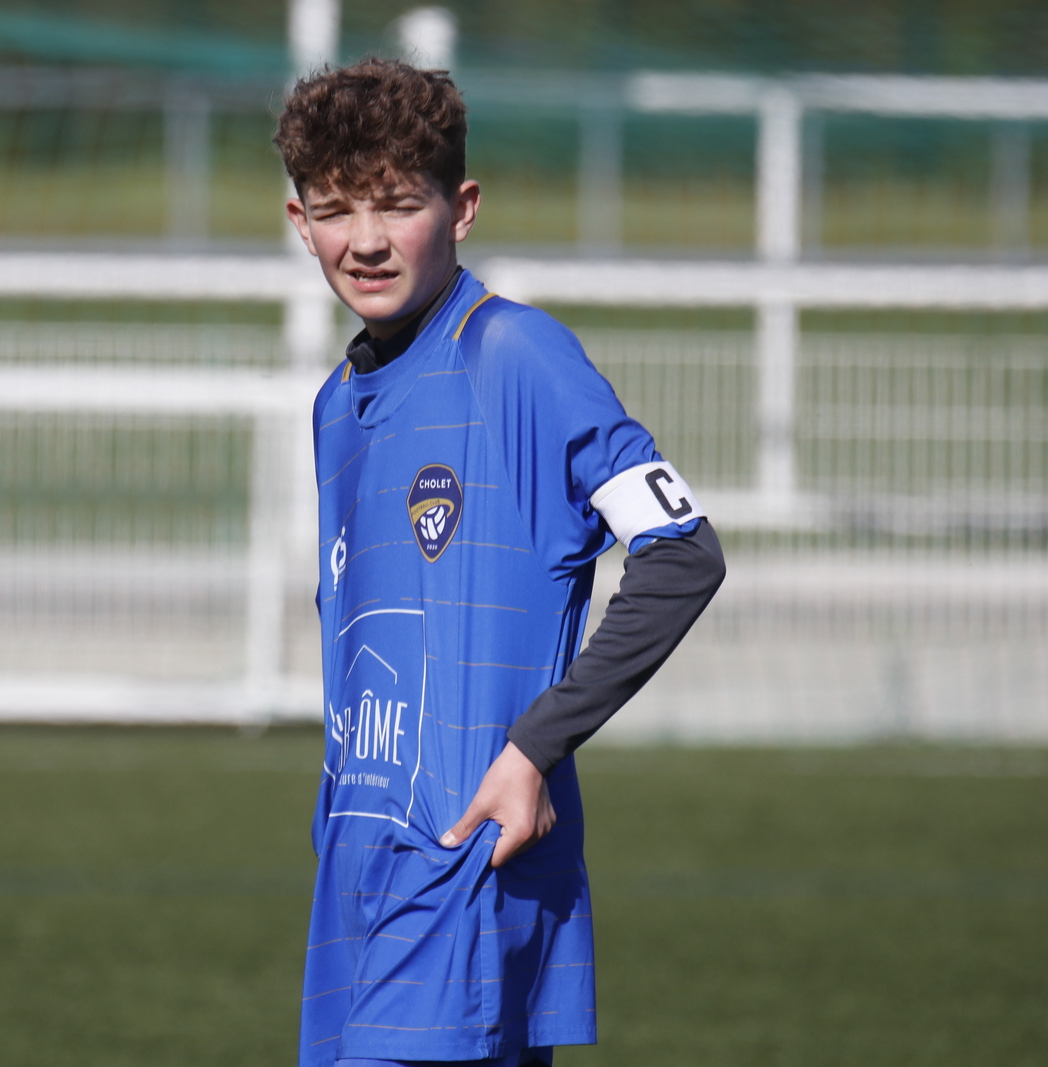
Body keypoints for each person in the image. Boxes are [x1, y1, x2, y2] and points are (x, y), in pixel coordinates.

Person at [275, 58, 725, 1067]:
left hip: (464, 872)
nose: (367, 239)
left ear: (462, 207)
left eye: (399, 204)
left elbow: (683, 554)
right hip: (356, 886)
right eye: (337, 209)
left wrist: (533, 749)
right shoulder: (335, 407)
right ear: (301, 222)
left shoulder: (514, 356)